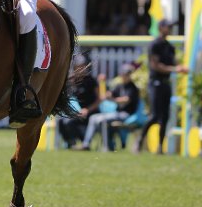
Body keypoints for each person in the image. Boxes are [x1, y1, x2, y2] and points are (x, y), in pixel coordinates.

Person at [135, 19, 188, 154]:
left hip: (166, 84)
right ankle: (139, 141)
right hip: (155, 83)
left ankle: (160, 147)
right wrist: (176, 69)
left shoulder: (169, 47)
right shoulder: (155, 45)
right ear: (160, 28)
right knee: (154, 116)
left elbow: (174, 63)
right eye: (167, 27)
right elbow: (156, 66)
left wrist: (181, 67)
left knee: (165, 117)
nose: (169, 29)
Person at [78, 63, 139, 151]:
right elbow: (109, 94)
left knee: (100, 120)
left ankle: (107, 146)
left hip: (126, 114)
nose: (124, 76)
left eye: (126, 74)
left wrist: (113, 99)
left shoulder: (132, 87)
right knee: (93, 118)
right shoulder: (119, 86)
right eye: (123, 73)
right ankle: (86, 144)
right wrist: (103, 85)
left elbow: (126, 100)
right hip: (117, 113)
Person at [58, 53, 100, 148]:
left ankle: (82, 142)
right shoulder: (72, 81)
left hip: (90, 112)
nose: (81, 69)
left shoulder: (91, 81)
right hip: (76, 112)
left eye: (82, 66)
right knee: (61, 120)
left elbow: (99, 100)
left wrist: (87, 110)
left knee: (69, 122)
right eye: (78, 66)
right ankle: (71, 143)